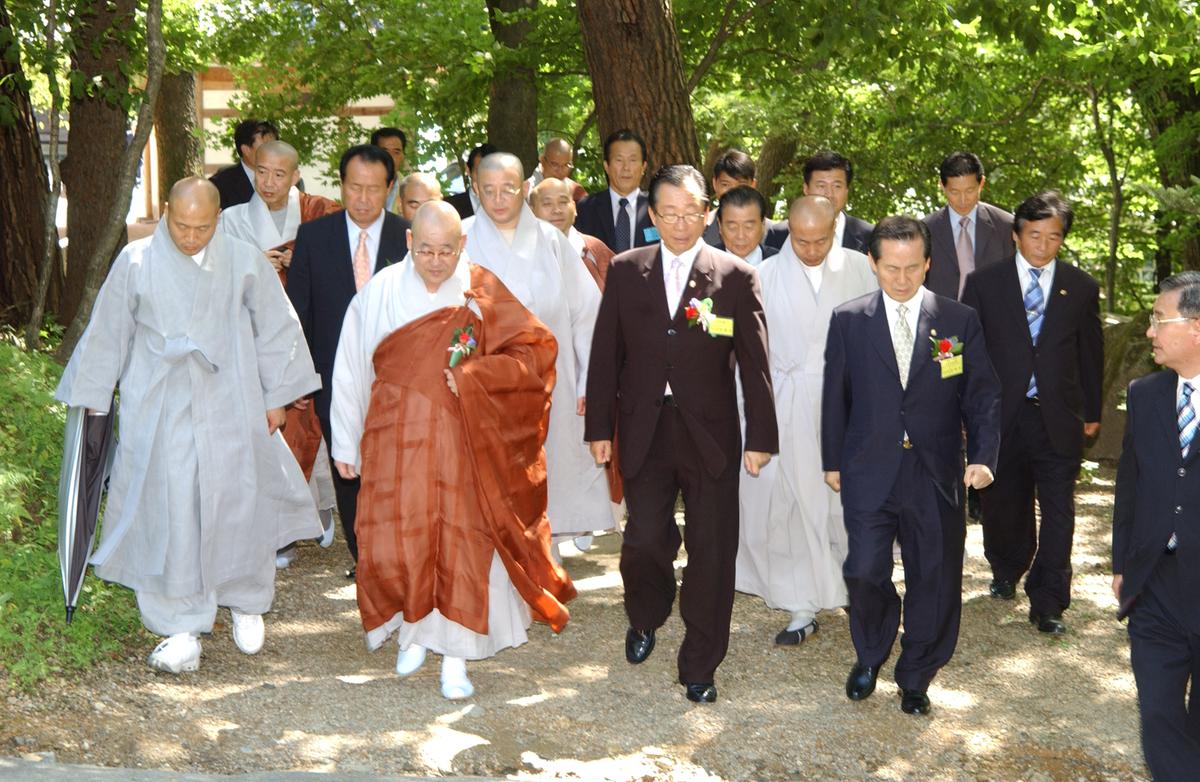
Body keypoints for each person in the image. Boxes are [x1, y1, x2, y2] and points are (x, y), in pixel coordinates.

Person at [55, 178, 320, 673]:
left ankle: (246, 600)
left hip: (233, 393)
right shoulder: (135, 261)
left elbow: (276, 326)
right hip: (161, 398)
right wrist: (93, 397)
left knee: (239, 498)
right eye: (181, 225)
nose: (191, 236)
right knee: (171, 505)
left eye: (202, 227)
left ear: (218, 218)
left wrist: (278, 396)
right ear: (165, 214)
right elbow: (109, 332)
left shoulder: (242, 259)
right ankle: (180, 623)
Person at [330, 201, 573, 700]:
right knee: (404, 536)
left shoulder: (482, 289)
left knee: (461, 541)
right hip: (397, 439)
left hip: (465, 441)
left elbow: (535, 349)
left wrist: (475, 375)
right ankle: (412, 628)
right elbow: (352, 368)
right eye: (426, 251)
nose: (436, 261)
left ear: (461, 245)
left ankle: (457, 656)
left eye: (446, 250)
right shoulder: (378, 293)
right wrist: (344, 438)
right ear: (408, 244)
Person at [585, 164, 778, 703]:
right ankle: (646, 613)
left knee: (713, 550)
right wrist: (599, 427)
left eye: (691, 212)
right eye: (668, 212)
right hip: (645, 426)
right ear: (652, 215)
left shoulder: (735, 276)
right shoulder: (626, 269)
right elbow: (606, 355)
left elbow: (755, 362)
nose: (679, 222)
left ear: (706, 213)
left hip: (711, 432)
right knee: (644, 539)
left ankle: (700, 663)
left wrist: (761, 434)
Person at [822, 216, 1000, 715]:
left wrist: (984, 456)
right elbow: (836, 396)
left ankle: (917, 671)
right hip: (868, 467)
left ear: (928, 264)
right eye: (890, 268)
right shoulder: (849, 319)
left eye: (912, 268)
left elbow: (983, 394)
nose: (902, 280)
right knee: (863, 569)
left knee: (935, 575)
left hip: (936, 470)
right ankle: (871, 650)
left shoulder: (958, 320)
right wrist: (832, 459)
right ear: (874, 264)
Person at [736, 195, 876, 644]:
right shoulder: (765, 275)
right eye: (801, 241)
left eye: (821, 240)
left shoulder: (860, 267)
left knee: (844, 502)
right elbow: (750, 357)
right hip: (788, 402)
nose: (812, 249)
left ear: (836, 229)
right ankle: (801, 603)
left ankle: (853, 586)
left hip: (849, 403)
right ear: (786, 233)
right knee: (792, 505)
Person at [962, 192, 1102, 632]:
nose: (1043, 245)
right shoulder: (985, 283)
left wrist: (1093, 410)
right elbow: (971, 353)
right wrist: (968, 412)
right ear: (1017, 235)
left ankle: (1049, 600)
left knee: (1060, 510)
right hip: (1002, 415)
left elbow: (1091, 353)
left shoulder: (1080, 287)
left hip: (1059, 415)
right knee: (1005, 501)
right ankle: (1007, 566)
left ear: (1063, 239)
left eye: (1053, 236)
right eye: (1034, 235)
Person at [465, 154, 612, 554]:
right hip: (486, 381)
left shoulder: (551, 241)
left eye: (508, 189)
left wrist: (588, 380)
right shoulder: (460, 239)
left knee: (556, 463)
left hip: (554, 377)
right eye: (488, 190)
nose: (498, 199)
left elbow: (586, 314)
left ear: (525, 189)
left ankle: (548, 548)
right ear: (475, 190)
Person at [286, 145, 410, 575]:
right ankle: (364, 555)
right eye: (354, 187)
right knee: (347, 464)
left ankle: (393, 549)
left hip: (397, 375)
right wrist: (300, 378)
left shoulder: (407, 238)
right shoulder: (314, 237)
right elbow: (298, 313)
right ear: (341, 185)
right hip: (332, 374)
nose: (363, 198)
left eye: (373, 189)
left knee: (395, 463)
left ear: (389, 188)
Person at [217, 140, 342, 563]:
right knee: (265, 429)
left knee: (308, 425)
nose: (268, 182)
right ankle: (277, 529)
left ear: (295, 174)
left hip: (306, 329)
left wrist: (298, 261)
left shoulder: (318, 213)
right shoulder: (231, 219)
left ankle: (318, 507)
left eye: (279, 174)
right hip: (252, 337)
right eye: (261, 172)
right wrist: (251, 264)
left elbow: (337, 269)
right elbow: (214, 274)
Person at [1113, 271, 1200, 780]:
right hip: (1155, 586)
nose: (1150, 332)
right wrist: (1123, 560)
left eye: (1158, 320)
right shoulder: (1145, 394)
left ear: (1195, 328)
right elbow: (1130, 484)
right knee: (1160, 716)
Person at [924, 151, 1016, 301]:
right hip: (941, 318)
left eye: (970, 191)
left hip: (992, 319)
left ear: (981, 183)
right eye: (954, 192)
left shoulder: (1006, 226)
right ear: (942, 186)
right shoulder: (925, 229)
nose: (963, 200)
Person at [574, 129, 655, 253]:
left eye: (633, 160)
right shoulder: (584, 209)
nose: (626, 168)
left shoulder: (659, 208)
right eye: (619, 160)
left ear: (643, 167)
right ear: (607, 166)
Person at [529, 176, 614, 289]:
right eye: (547, 204)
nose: (557, 210)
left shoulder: (595, 250)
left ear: (574, 208)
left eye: (563, 202)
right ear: (531, 211)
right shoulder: (519, 255)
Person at [802, 151, 873, 254]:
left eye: (837, 186)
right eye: (821, 186)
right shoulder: (781, 235)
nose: (829, 194)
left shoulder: (870, 237)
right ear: (806, 189)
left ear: (846, 191)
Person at [209, 119, 279, 209]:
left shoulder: (290, 181)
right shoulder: (220, 184)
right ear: (246, 150)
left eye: (275, 147)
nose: (273, 153)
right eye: (266, 148)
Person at [713, 185, 778, 266]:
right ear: (720, 226)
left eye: (749, 227)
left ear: (763, 224)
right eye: (732, 227)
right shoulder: (703, 264)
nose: (741, 236)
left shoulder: (782, 263)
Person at [524, 137, 587, 202]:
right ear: (542, 161)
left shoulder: (576, 193)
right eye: (555, 164)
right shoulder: (524, 193)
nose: (560, 171)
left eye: (566, 165)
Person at [447, 143, 499, 219]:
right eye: (480, 172)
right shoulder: (449, 207)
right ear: (468, 170)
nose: (486, 179)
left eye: (493, 172)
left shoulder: (510, 204)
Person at [370, 127, 408, 213]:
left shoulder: (409, 190)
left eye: (396, 152)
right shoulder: (360, 186)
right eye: (384, 152)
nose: (390, 158)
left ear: (403, 156)